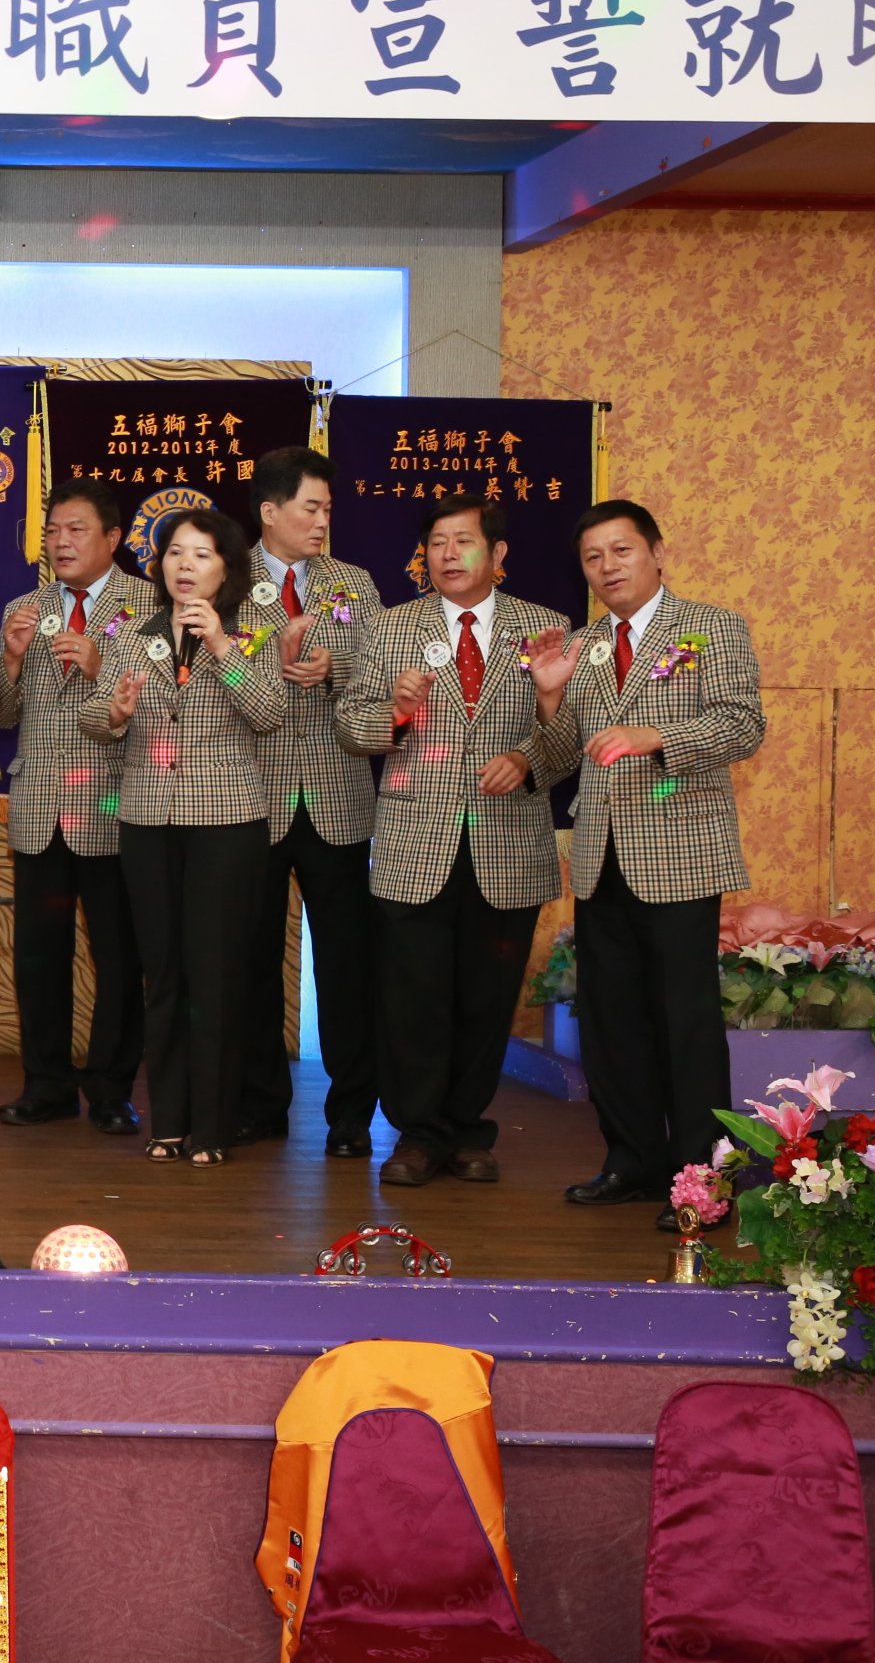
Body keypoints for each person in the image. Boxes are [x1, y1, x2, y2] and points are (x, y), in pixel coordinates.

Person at [533, 500, 766, 1229]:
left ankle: (702, 1178)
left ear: (657, 552)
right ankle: (631, 1162)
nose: (607, 567)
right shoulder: (583, 645)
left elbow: (742, 724)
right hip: (600, 856)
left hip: (680, 854)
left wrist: (655, 734)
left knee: (684, 1021)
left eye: (621, 550)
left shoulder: (711, 628)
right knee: (612, 1021)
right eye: (593, 557)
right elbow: (560, 755)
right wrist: (549, 697)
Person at [334, 493, 571, 1188]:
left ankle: (469, 1131)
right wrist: (396, 712)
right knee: (413, 998)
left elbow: (573, 734)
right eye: (436, 542)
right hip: (415, 843)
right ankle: (417, 1134)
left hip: (508, 843)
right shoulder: (391, 626)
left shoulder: (546, 628)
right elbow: (350, 725)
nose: (447, 554)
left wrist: (528, 758)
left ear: (498, 554)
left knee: (486, 999)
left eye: (462, 541)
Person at [83, 505, 287, 1167]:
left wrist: (223, 647)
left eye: (201, 554)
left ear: (226, 567)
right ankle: (168, 1121)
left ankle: (214, 1127)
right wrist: (115, 713)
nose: (185, 566)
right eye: (174, 552)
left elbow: (269, 713)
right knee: (164, 974)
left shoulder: (253, 632)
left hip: (226, 824)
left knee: (216, 975)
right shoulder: (131, 630)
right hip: (147, 820)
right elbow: (93, 715)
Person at [0, 478, 157, 1137]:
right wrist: (9, 660)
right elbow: (2, 715)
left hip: (116, 806)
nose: (60, 542)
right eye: (52, 531)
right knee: (39, 955)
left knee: (120, 958)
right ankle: (46, 1085)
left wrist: (98, 667)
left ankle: (112, 1089)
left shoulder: (149, 605)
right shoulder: (25, 607)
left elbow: (165, 709)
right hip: (40, 808)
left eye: (76, 530)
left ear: (113, 538)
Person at [236, 446, 386, 1158]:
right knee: (251, 959)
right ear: (270, 512)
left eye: (328, 509)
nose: (323, 521)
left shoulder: (353, 583)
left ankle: (352, 1116)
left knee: (349, 963)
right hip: (249, 797)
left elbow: (380, 672)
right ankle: (259, 1103)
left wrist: (335, 667)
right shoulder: (225, 576)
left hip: (338, 798)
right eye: (311, 508)